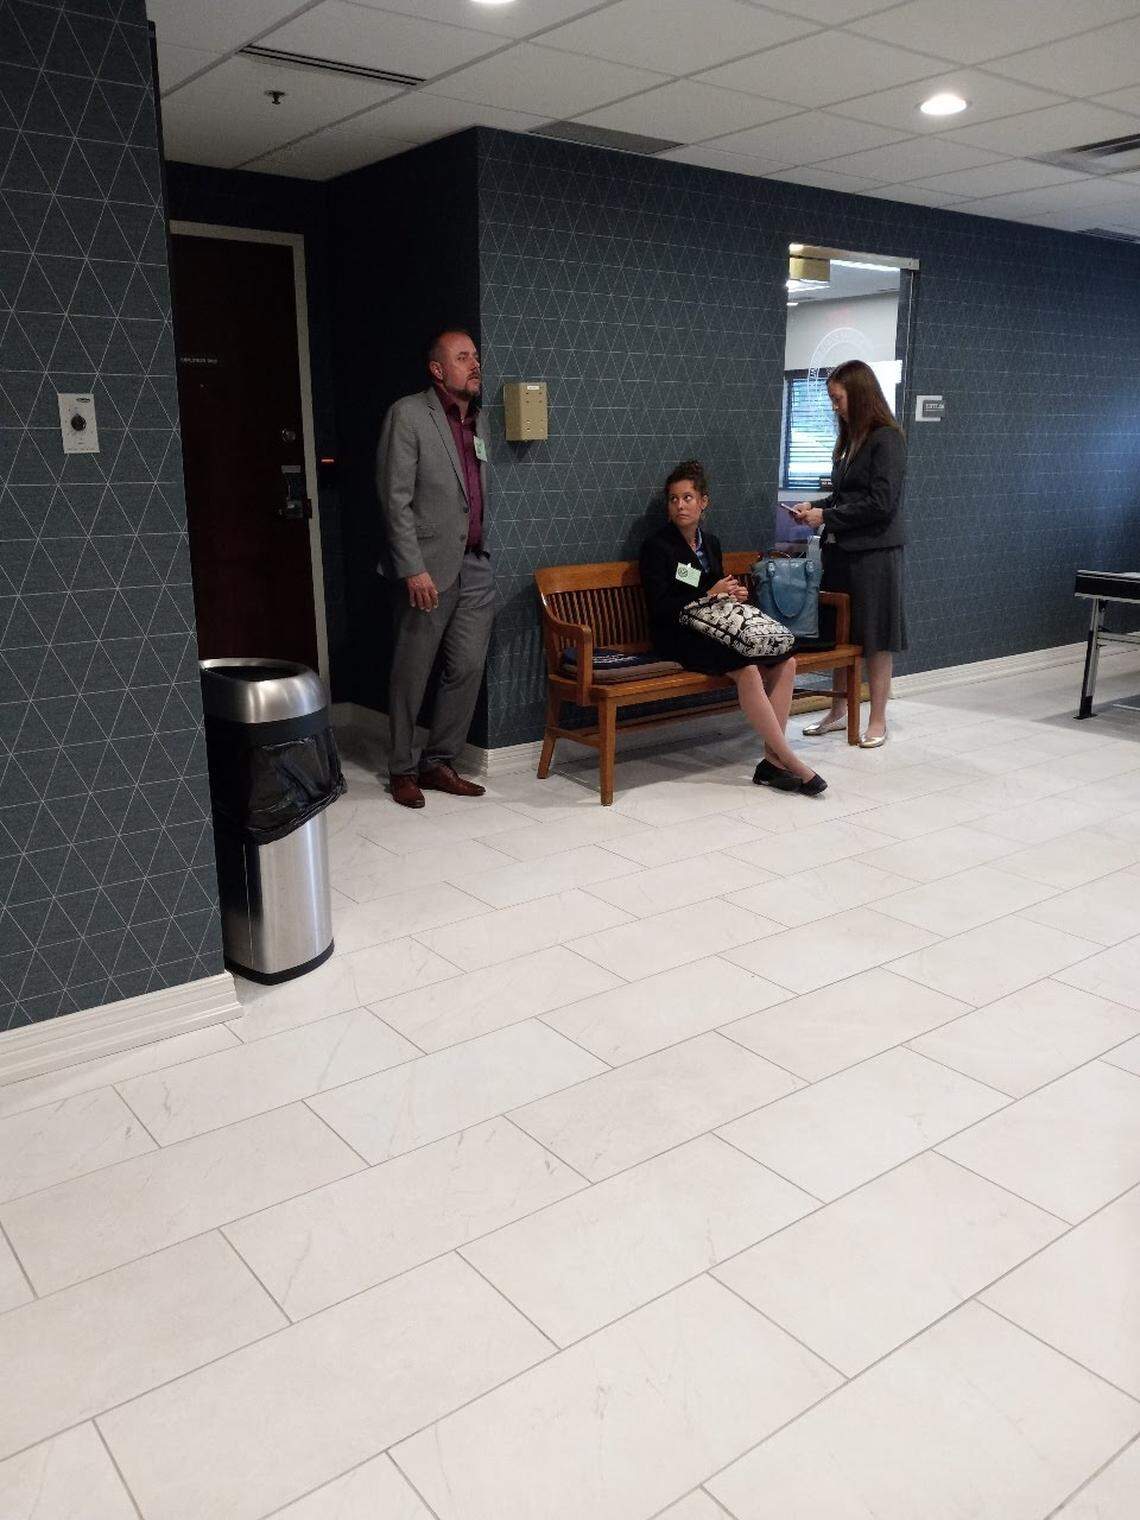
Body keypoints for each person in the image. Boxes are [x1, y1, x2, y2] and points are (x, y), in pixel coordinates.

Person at [640, 461, 826, 796]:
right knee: (748, 670)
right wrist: (708, 594)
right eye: (673, 499)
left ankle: (772, 761)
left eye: (687, 498)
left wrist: (733, 592)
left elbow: (714, 588)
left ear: (703, 502)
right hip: (677, 634)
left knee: (788, 660)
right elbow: (660, 606)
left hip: (714, 628)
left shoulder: (710, 543)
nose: (680, 506)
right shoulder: (657, 547)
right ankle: (788, 759)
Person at [375, 329, 494, 808]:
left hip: (476, 566)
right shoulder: (409, 415)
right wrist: (412, 567)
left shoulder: (479, 422)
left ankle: (439, 761)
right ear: (438, 369)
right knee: (412, 671)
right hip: (426, 569)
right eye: (463, 358)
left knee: (466, 668)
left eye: (476, 357)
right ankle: (401, 769)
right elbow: (394, 498)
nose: (475, 365)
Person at [791, 359, 907, 748]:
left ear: (857, 395)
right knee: (841, 637)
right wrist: (815, 508)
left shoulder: (886, 438)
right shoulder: (850, 439)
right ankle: (839, 710)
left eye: (837, 398)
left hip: (873, 555)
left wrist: (828, 515)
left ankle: (877, 719)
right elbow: (845, 497)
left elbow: (880, 503)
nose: (834, 406)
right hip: (840, 551)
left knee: (874, 637)